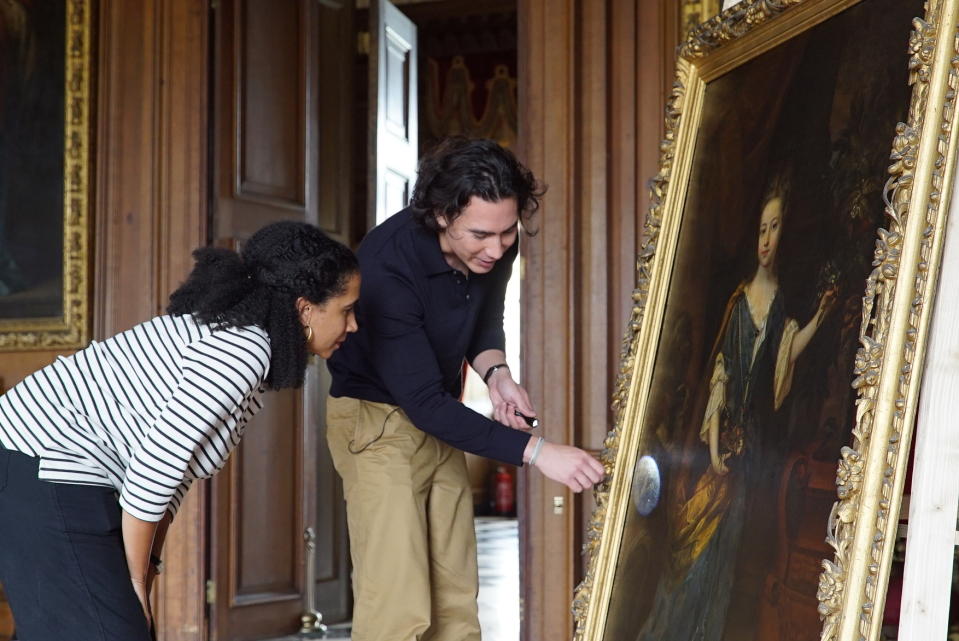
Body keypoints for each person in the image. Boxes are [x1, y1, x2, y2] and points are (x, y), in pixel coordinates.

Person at [0, 221, 359, 641]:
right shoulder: (244, 349)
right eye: (347, 310)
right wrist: (135, 585)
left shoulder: (245, 347)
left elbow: (175, 476)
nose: (353, 326)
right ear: (305, 308)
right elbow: (156, 470)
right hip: (44, 464)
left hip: (59, 474)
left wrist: (147, 569)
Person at [326, 137, 605, 641]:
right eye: (481, 234)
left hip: (438, 417)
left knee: (456, 602)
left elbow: (484, 318)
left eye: (506, 232)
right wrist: (539, 452)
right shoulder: (387, 267)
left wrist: (498, 377)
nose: (496, 249)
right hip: (377, 425)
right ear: (439, 214)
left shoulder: (497, 239)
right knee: (398, 606)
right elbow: (424, 403)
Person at [634, 178, 836, 641]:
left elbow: (785, 355)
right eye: (761, 229)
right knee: (699, 552)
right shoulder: (738, 301)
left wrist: (821, 317)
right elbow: (718, 383)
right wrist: (715, 451)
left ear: (786, 232)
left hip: (751, 453)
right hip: (717, 452)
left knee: (730, 555)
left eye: (775, 227)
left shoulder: (781, 301)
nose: (766, 240)